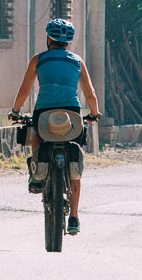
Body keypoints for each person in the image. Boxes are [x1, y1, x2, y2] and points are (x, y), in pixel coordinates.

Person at [10, 18, 100, 236]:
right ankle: (75, 217)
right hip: (72, 114)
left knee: (36, 137)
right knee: (74, 165)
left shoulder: (38, 60)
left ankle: (37, 175)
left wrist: (15, 111)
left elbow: (24, 89)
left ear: (49, 39)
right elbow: (90, 94)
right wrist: (94, 114)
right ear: (69, 42)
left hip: (45, 112)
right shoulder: (77, 61)